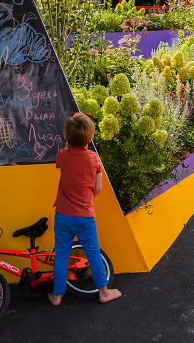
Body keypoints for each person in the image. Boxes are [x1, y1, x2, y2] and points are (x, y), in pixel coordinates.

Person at [48, 113, 122, 306]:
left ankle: (57, 296)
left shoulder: (62, 156)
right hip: (84, 216)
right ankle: (104, 292)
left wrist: (69, 143)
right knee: (93, 253)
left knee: (61, 254)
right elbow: (98, 188)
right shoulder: (94, 159)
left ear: (66, 136)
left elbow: (63, 158)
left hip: (62, 216)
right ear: (90, 139)